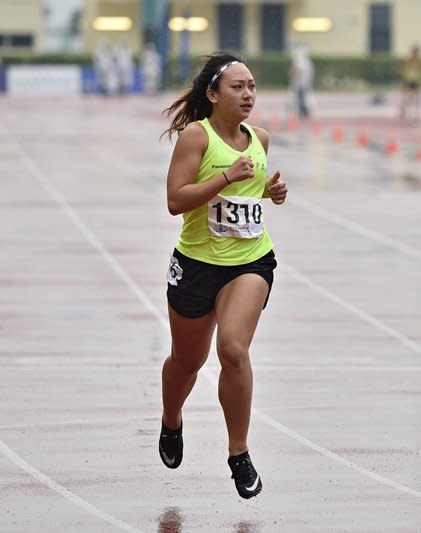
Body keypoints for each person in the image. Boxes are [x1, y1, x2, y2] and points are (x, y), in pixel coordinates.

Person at [159, 52, 288, 499]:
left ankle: (239, 453)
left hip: (250, 260)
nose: (248, 94)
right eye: (238, 87)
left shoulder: (260, 139)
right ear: (213, 94)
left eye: (252, 85)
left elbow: (252, 197)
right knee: (187, 362)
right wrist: (226, 178)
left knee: (233, 348)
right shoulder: (197, 136)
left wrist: (272, 193)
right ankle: (171, 420)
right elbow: (176, 200)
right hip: (196, 264)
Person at [400, 44, 421, 121]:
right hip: (409, 80)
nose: (416, 54)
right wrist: (405, 81)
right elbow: (405, 70)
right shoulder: (408, 60)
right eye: (415, 52)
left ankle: (417, 114)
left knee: (417, 98)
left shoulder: (420, 60)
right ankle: (403, 111)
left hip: (416, 81)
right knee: (407, 97)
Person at [290, 45, 314, 118]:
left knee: (302, 98)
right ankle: (303, 111)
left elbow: (297, 72)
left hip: (301, 83)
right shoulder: (307, 62)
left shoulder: (301, 62)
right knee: (302, 98)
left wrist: (294, 79)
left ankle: (304, 112)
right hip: (304, 82)